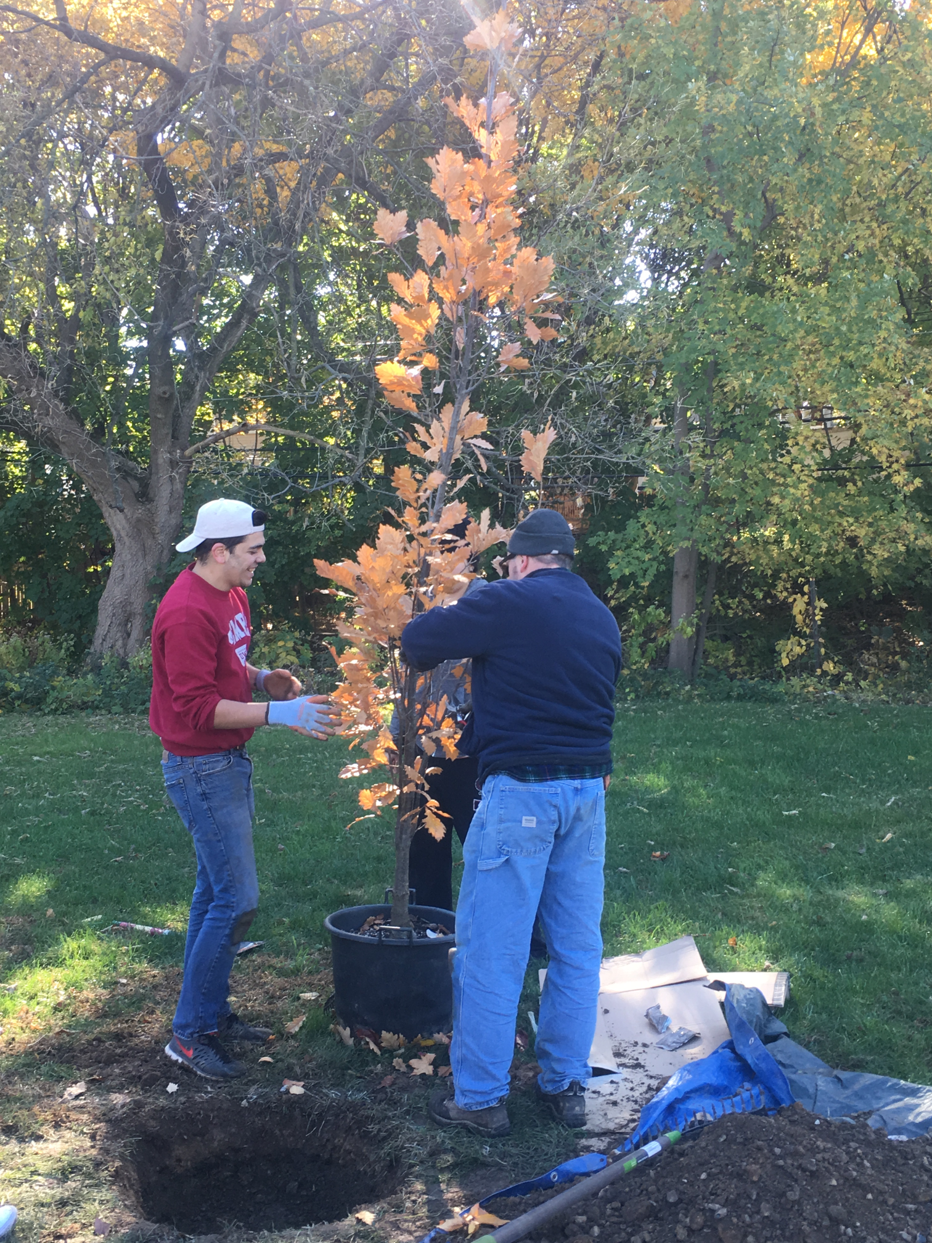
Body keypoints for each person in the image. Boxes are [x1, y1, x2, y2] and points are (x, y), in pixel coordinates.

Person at [401, 508, 622, 1137]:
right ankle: (565, 1086)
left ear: (521, 560)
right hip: (586, 795)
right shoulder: (598, 614)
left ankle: (479, 1100)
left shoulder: (507, 600)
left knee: (492, 950)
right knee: (577, 948)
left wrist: (456, 601)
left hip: (522, 792)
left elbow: (418, 643)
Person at [150, 498, 340, 1080]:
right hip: (200, 769)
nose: (261, 559)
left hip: (226, 764)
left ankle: (209, 1014)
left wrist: (261, 678)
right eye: (252, 550)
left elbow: (224, 666)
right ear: (218, 551)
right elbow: (198, 707)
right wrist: (280, 713)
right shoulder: (185, 612)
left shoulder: (231, 594)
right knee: (237, 900)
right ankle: (188, 1037)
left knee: (214, 896)